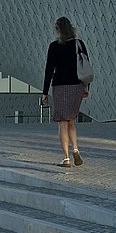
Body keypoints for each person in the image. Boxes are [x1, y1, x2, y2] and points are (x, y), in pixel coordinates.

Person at [42, 16, 90, 167]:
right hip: (76, 86)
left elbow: (49, 70)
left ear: (57, 29)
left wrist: (44, 92)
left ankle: (66, 158)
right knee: (71, 121)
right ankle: (75, 149)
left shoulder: (54, 46)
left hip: (60, 86)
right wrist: (86, 87)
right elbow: (86, 67)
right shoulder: (79, 44)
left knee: (63, 123)